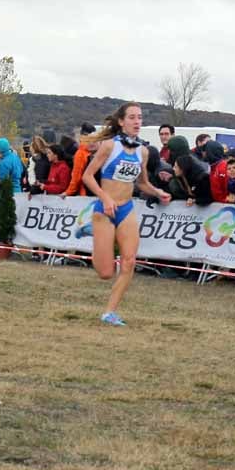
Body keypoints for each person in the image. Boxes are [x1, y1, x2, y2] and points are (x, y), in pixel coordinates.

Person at [82, 102, 172, 327]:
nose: (137, 121)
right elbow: (88, 176)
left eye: (140, 117)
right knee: (105, 273)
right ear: (121, 121)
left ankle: (110, 312)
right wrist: (105, 197)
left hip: (126, 209)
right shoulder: (109, 146)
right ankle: (92, 233)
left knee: (129, 261)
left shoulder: (143, 151)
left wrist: (158, 191)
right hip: (104, 210)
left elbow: (142, 183)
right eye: (132, 117)